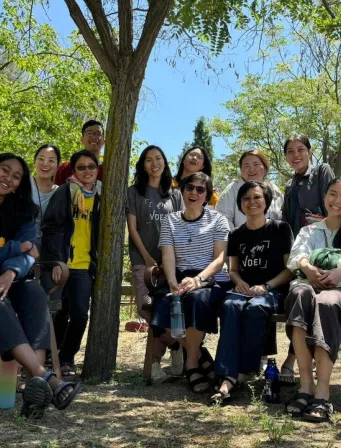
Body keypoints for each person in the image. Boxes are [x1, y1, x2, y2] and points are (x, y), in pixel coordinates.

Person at [0, 153, 80, 417]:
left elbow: (30, 255)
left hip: (10, 277)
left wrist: (10, 273)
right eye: (5, 170)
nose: (9, 179)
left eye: (16, 177)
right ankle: (43, 376)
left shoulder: (24, 209)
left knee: (35, 292)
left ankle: (35, 387)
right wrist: (16, 248)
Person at [282, 177, 341, 423]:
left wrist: (340, 271)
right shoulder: (310, 230)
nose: (336, 200)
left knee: (327, 302)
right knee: (299, 293)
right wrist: (307, 267)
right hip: (306, 284)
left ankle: (323, 390)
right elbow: (297, 256)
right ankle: (305, 384)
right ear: (324, 196)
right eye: (332, 194)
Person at [211, 181, 294, 405]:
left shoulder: (280, 229)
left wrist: (266, 286)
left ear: (266, 201)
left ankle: (240, 373)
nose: (252, 202)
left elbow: (289, 270)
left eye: (257, 197)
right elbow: (234, 269)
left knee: (257, 307)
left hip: (272, 290)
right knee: (229, 306)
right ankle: (228, 374)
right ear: (240, 204)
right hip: (244, 289)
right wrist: (238, 282)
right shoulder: (237, 234)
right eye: (246, 198)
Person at [150, 172, 230, 393]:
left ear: (207, 195)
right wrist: (173, 283)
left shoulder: (218, 219)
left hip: (209, 278)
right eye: (190, 188)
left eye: (200, 189)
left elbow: (220, 258)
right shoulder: (171, 220)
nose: (194, 192)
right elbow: (167, 256)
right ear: (182, 191)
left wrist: (198, 280)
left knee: (196, 299)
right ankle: (201, 355)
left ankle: (191, 365)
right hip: (178, 275)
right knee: (162, 302)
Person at [279, 134, 336, 384]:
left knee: (315, 302)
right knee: (299, 301)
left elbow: (334, 208)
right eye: (290, 151)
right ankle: (298, 359)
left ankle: (296, 360)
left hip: (324, 251)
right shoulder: (290, 185)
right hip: (299, 254)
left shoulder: (322, 172)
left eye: (300, 149)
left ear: (310, 151)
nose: (296, 155)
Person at [126, 145, 184, 382]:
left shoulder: (175, 194)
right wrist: (148, 258)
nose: (154, 163)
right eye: (149, 160)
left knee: (167, 308)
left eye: (158, 158)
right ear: (143, 165)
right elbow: (132, 228)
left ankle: (156, 363)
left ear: (165, 162)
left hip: (170, 263)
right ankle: (178, 345)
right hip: (143, 260)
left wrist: (169, 259)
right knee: (145, 306)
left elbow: (180, 228)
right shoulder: (134, 192)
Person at [40, 150, 101, 378]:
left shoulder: (100, 196)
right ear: (74, 171)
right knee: (54, 313)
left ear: (97, 169)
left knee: (80, 314)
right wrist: (56, 260)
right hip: (61, 263)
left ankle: (65, 358)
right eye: (81, 167)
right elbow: (52, 227)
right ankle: (46, 356)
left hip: (84, 266)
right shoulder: (65, 192)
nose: (87, 171)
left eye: (91, 167)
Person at [217, 150, 284, 230]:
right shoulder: (232, 190)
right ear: (241, 170)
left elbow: (281, 217)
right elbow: (223, 219)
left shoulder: (274, 190)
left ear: (265, 168)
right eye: (246, 166)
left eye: (256, 164)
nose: (251, 169)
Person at [54, 120, 105, 186]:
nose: (94, 137)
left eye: (98, 134)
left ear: (104, 141)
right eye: (89, 133)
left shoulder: (109, 170)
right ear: (82, 139)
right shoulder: (65, 168)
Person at [31, 144, 60, 248]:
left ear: (58, 165)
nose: (45, 163)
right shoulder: (24, 184)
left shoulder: (59, 193)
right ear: (35, 161)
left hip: (48, 252)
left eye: (51, 160)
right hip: (21, 248)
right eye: (41, 159)